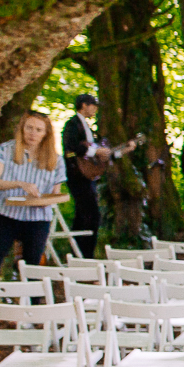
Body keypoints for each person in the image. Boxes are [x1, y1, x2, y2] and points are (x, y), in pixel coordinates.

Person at [0, 110, 68, 280]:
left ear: (46, 134)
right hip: (6, 216)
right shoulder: (6, 150)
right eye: (29, 128)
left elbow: (55, 194)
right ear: (22, 128)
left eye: (38, 130)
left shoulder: (56, 160)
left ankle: (31, 305)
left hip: (38, 219)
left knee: (33, 271)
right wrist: (20, 184)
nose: (33, 134)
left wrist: (47, 201)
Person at [62, 93, 116, 258]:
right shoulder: (72, 124)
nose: (95, 109)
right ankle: (85, 255)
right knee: (91, 215)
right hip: (77, 174)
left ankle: (79, 254)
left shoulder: (87, 126)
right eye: (93, 105)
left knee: (83, 214)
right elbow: (71, 146)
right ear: (84, 105)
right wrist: (95, 151)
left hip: (88, 176)